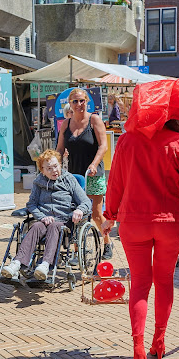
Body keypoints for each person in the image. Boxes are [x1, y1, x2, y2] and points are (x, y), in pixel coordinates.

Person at [101, 78, 179, 359]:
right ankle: (159, 342)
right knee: (164, 281)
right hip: (170, 221)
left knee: (140, 284)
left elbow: (115, 183)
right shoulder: (178, 141)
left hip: (133, 222)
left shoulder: (126, 141)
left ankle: (138, 347)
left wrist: (109, 214)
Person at [2, 149, 92, 281]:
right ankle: (16, 263)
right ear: (42, 170)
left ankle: (45, 264)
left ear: (60, 164)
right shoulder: (38, 183)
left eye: (56, 166)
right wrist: (42, 217)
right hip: (44, 220)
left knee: (55, 226)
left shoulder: (69, 180)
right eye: (49, 168)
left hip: (63, 221)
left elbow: (85, 202)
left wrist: (79, 210)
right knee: (36, 226)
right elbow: (31, 204)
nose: (54, 170)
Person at [56, 88, 112, 258]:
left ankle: (107, 242)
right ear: (70, 104)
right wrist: (52, 165)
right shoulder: (66, 124)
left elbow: (103, 146)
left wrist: (94, 164)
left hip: (93, 174)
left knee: (95, 214)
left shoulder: (94, 120)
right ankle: (76, 250)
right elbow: (59, 149)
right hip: (74, 175)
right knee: (76, 214)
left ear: (87, 101)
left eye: (82, 101)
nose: (79, 104)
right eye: (75, 101)